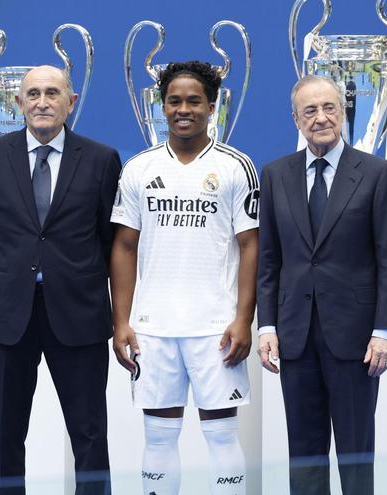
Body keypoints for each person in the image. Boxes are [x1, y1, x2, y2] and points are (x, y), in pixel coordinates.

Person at [0, 65, 121, 495]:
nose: (42, 102)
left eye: (52, 93)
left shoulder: (102, 159)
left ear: (71, 102)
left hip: (79, 313)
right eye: (33, 94)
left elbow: (110, 240)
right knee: (5, 432)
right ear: (19, 103)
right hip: (7, 315)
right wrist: (15, 278)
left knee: (89, 433)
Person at [110, 61, 259, 495]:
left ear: (212, 107)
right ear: (162, 107)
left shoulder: (236, 166)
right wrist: (121, 322)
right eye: (174, 101)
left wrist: (243, 319)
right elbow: (124, 246)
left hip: (216, 328)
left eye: (194, 101)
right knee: (158, 436)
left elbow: (251, 246)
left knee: (222, 435)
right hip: (153, 328)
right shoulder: (139, 168)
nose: (183, 110)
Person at [256, 75, 387, 495]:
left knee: (356, 453)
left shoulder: (377, 173)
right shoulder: (275, 175)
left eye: (329, 108)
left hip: (357, 340)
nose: (320, 118)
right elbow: (269, 259)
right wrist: (267, 326)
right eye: (310, 110)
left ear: (342, 112)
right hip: (295, 336)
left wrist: (386, 330)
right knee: (304, 454)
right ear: (296, 119)